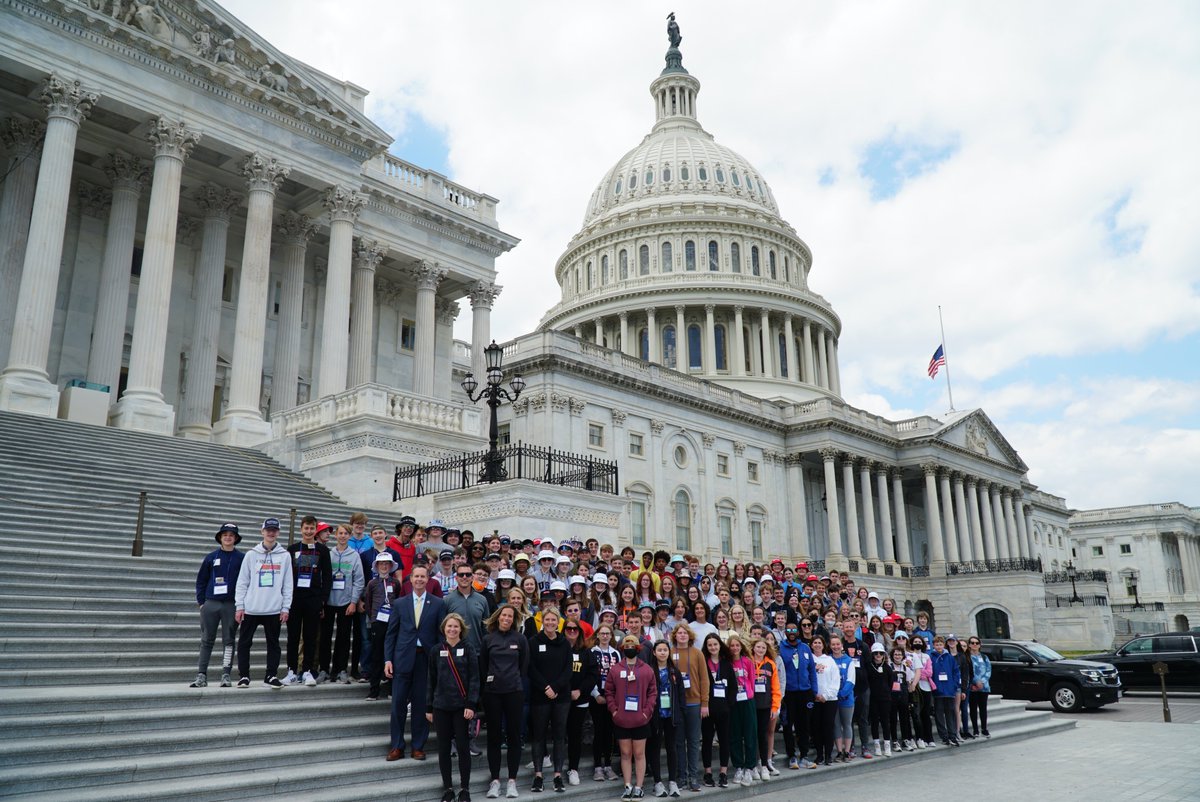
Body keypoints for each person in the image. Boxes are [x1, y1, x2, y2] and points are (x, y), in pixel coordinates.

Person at [384, 565, 446, 761]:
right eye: (416, 576)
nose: (419, 579)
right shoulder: (400, 603)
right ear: (410, 579)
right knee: (398, 705)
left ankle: (418, 746)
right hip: (402, 658)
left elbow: (440, 635)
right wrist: (388, 659)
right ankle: (397, 746)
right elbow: (391, 634)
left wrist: (439, 661)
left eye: (423, 576)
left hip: (425, 659)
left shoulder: (437, 603)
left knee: (421, 704)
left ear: (428, 579)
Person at [427, 613, 480, 802]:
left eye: (456, 627)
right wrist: (428, 707)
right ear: (444, 628)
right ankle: (448, 788)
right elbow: (430, 680)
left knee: (464, 748)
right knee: (443, 749)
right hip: (441, 706)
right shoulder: (436, 650)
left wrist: (471, 704)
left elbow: (474, 679)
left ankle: (465, 789)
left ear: (461, 629)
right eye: (449, 626)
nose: (452, 629)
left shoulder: (469, 648)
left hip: (461, 707)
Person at [233, 517, 292, 688]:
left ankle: (271, 675)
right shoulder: (252, 554)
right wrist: (240, 606)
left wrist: (285, 607)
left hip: (273, 608)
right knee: (244, 643)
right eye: (268, 530)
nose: (271, 533)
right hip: (251, 608)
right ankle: (244, 676)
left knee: (273, 644)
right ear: (262, 532)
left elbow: (288, 584)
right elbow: (242, 581)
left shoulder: (285, 556)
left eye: (274, 530)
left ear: (278, 532)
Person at [481, 603, 528, 800]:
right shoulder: (488, 639)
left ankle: (511, 781)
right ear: (498, 617)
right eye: (504, 615)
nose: (507, 618)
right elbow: (483, 667)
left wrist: (515, 682)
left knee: (514, 736)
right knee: (493, 736)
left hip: (514, 693)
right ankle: (494, 780)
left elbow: (524, 667)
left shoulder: (520, 639)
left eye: (511, 616)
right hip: (492, 693)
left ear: (514, 620)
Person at [191, 522, 245, 688]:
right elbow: (201, 580)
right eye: (225, 535)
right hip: (211, 603)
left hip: (231, 604)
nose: (228, 537)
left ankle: (226, 674)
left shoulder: (242, 558)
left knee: (229, 641)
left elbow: (246, 581)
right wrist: (202, 603)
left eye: (231, 535)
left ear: (235, 538)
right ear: (220, 538)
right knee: (207, 639)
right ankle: (201, 675)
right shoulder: (211, 557)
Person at [282, 515, 332, 686]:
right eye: (306, 528)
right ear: (301, 529)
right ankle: (291, 670)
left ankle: (307, 671)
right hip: (295, 599)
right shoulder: (292, 548)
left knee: (311, 637)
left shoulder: (323, 550)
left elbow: (327, 576)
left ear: (315, 530)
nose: (309, 531)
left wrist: (323, 600)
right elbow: (286, 576)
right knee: (293, 637)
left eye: (312, 528)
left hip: (314, 599)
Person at [607, 634, 656, 801]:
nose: (629, 648)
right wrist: (614, 711)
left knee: (639, 754)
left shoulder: (646, 669)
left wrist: (646, 712)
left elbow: (652, 692)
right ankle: (627, 786)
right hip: (621, 719)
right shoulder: (616, 669)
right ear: (622, 648)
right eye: (626, 645)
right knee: (625, 753)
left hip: (641, 719)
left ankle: (639, 787)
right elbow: (609, 692)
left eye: (632, 645)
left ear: (638, 648)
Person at [528, 607, 571, 792]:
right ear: (543, 621)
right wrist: (546, 687)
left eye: (554, 620)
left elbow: (568, 670)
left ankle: (557, 776)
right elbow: (530, 668)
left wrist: (556, 687)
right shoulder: (534, 641)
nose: (551, 623)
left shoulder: (565, 643)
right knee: (538, 737)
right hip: (540, 695)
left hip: (561, 697)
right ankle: (538, 776)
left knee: (559, 737)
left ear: (558, 622)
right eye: (548, 620)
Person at [321, 522, 365, 684]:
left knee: (344, 638)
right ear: (335, 535)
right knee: (325, 637)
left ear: (349, 536)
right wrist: (322, 601)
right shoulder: (328, 553)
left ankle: (341, 669)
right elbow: (322, 577)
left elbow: (359, 581)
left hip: (346, 602)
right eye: (340, 533)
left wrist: (353, 602)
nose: (342, 536)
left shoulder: (354, 556)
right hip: (329, 602)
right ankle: (324, 669)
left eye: (346, 533)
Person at [667, 625, 708, 792]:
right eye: (679, 633)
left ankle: (693, 777)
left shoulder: (697, 653)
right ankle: (681, 777)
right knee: (678, 742)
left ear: (689, 635)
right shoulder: (669, 652)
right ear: (674, 636)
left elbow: (705, 680)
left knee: (692, 741)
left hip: (694, 702)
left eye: (685, 633)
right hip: (676, 704)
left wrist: (704, 703)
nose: (682, 635)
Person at [777, 620, 819, 769]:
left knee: (804, 725)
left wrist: (814, 691)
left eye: (794, 630)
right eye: (788, 631)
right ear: (785, 633)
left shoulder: (805, 648)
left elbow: (812, 671)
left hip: (805, 693)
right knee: (788, 725)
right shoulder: (781, 648)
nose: (792, 633)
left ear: (798, 632)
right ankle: (792, 756)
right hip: (789, 693)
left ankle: (804, 755)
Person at [646, 640, 684, 798]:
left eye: (665, 650)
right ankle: (657, 782)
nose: (662, 652)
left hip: (671, 715)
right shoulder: (649, 671)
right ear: (654, 652)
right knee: (654, 748)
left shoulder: (674, 671)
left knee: (672, 748)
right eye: (659, 650)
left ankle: (673, 781)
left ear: (669, 652)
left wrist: (681, 712)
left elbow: (681, 694)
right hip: (655, 715)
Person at [563, 619, 599, 787]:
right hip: (560, 699)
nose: (571, 631)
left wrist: (580, 691)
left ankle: (573, 768)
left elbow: (593, 675)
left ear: (579, 632)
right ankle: (555, 768)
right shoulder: (558, 648)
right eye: (568, 629)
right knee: (557, 735)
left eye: (574, 629)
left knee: (575, 735)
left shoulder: (586, 652)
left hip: (580, 700)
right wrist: (566, 690)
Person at [364, 552, 402, 701]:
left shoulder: (395, 583)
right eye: (381, 563)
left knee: (392, 654)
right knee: (376, 655)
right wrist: (373, 619)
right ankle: (374, 691)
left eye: (387, 563)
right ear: (377, 566)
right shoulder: (372, 583)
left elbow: (398, 600)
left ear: (391, 566)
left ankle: (392, 689)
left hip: (392, 623)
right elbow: (368, 602)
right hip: (377, 622)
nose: (384, 566)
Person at [699, 633, 734, 788]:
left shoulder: (726, 664)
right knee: (707, 741)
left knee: (724, 740)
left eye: (715, 644)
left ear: (720, 645)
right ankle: (707, 772)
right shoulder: (703, 663)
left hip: (724, 709)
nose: (713, 647)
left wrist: (729, 704)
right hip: (707, 709)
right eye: (710, 645)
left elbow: (733, 686)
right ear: (706, 648)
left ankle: (723, 772)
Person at [590, 622, 621, 782]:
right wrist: (596, 694)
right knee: (599, 731)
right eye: (602, 633)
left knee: (609, 732)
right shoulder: (592, 652)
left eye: (607, 633)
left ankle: (608, 766)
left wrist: (612, 697)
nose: (604, 636)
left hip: (612, 697)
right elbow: (590, 674)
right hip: (596, 696)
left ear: (611, 635)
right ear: (597, 635)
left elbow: (619, 676)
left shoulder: (616, 653)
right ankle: (597, 767)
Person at [725, 634, 757, 786]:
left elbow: (752, 680)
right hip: (733, 702)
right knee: (735, 735)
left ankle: (750, 767)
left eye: (737, 645)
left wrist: (749, 695)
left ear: (741, 647)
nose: (735, 648)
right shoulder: (726, 663)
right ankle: (738, 766)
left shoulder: (748, 662)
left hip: (747, 700)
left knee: (750, 734)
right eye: (732, 645)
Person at [810, 635, 838, 766]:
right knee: (816, 728)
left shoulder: (830, 660)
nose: (817, 645)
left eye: (819, 643)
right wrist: (814, 695)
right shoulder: (809, 659)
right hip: (814, 699)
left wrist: (825, 696)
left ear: (823, 645)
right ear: (811, 645)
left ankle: (828, 755)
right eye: (814, 642)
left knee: (828, 727)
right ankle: (819, 754)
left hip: (829, 700)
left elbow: (835, 680)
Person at [829, 634, 857, 762]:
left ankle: (847, 751)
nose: (835, 647)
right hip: (832, 698)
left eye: (837, 644)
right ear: (830, 646)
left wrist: (842, 694)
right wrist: (834, 694)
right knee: (835, 725)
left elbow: (851, 680)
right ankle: (839, 751)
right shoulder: (828, 660)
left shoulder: (848, 660)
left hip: (846, 698)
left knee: (847, 724)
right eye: (833, 644)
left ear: (841, 645)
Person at [863, 642, 894, 756]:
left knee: (886, 721)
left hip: (885, 699)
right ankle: (876, 745)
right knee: (874, 722)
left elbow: (890, 683)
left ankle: (887, 745)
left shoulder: (887, 668)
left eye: (880, 653)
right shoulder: (869, 667)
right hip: (872, 699)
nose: (878, 655)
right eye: (876, 653)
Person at [929, 635, 961, 746]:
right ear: (933, 645)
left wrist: (954, 685)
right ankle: (944, 736)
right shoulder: (931, 657)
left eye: (940, 644)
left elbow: (956, 671)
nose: (939, 646)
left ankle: (952, 735)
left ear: (944, 645)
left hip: (949, 690)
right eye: (936, 644)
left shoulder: (950, 657)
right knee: (939, 714)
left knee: (950, 713)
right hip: (937, 691)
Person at [908, 634, 934, 747]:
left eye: (919, 641)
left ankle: (930, 738)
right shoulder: (909, 655)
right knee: (916, 714)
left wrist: (918, 673)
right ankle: (920, 737)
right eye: (915, 641)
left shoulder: (926, 657)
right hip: (914, 688)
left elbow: (930, 673)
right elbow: (909, 671)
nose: (917, 643)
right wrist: (918, 673)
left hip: (926, 687)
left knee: (926, 713)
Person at [889, 644, 916, 751]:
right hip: (892, 697)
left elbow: (909, 684)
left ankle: (905, 739)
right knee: (893, 719)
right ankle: (895, 741)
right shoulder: (889, 667)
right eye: (895, 654)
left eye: (899, 654)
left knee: (904, 719)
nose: (897, 656)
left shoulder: (906, 668)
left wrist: (910, 699)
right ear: (892, 656)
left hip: (903, 696)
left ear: (903, 656)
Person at [967, 635, 992, 738]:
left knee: (983, 708)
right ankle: (975, 729)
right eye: (972, 643)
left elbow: (988, 670)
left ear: (979, 645)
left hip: (984, 687)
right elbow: (968, 671)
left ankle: (984, 728)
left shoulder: (984, 657)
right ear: (969, 645)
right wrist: (975, 682)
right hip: (973, 687)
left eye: (976, 643)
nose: (974, 645)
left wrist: (982, 681)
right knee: (973, 708)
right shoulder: (967, 657)